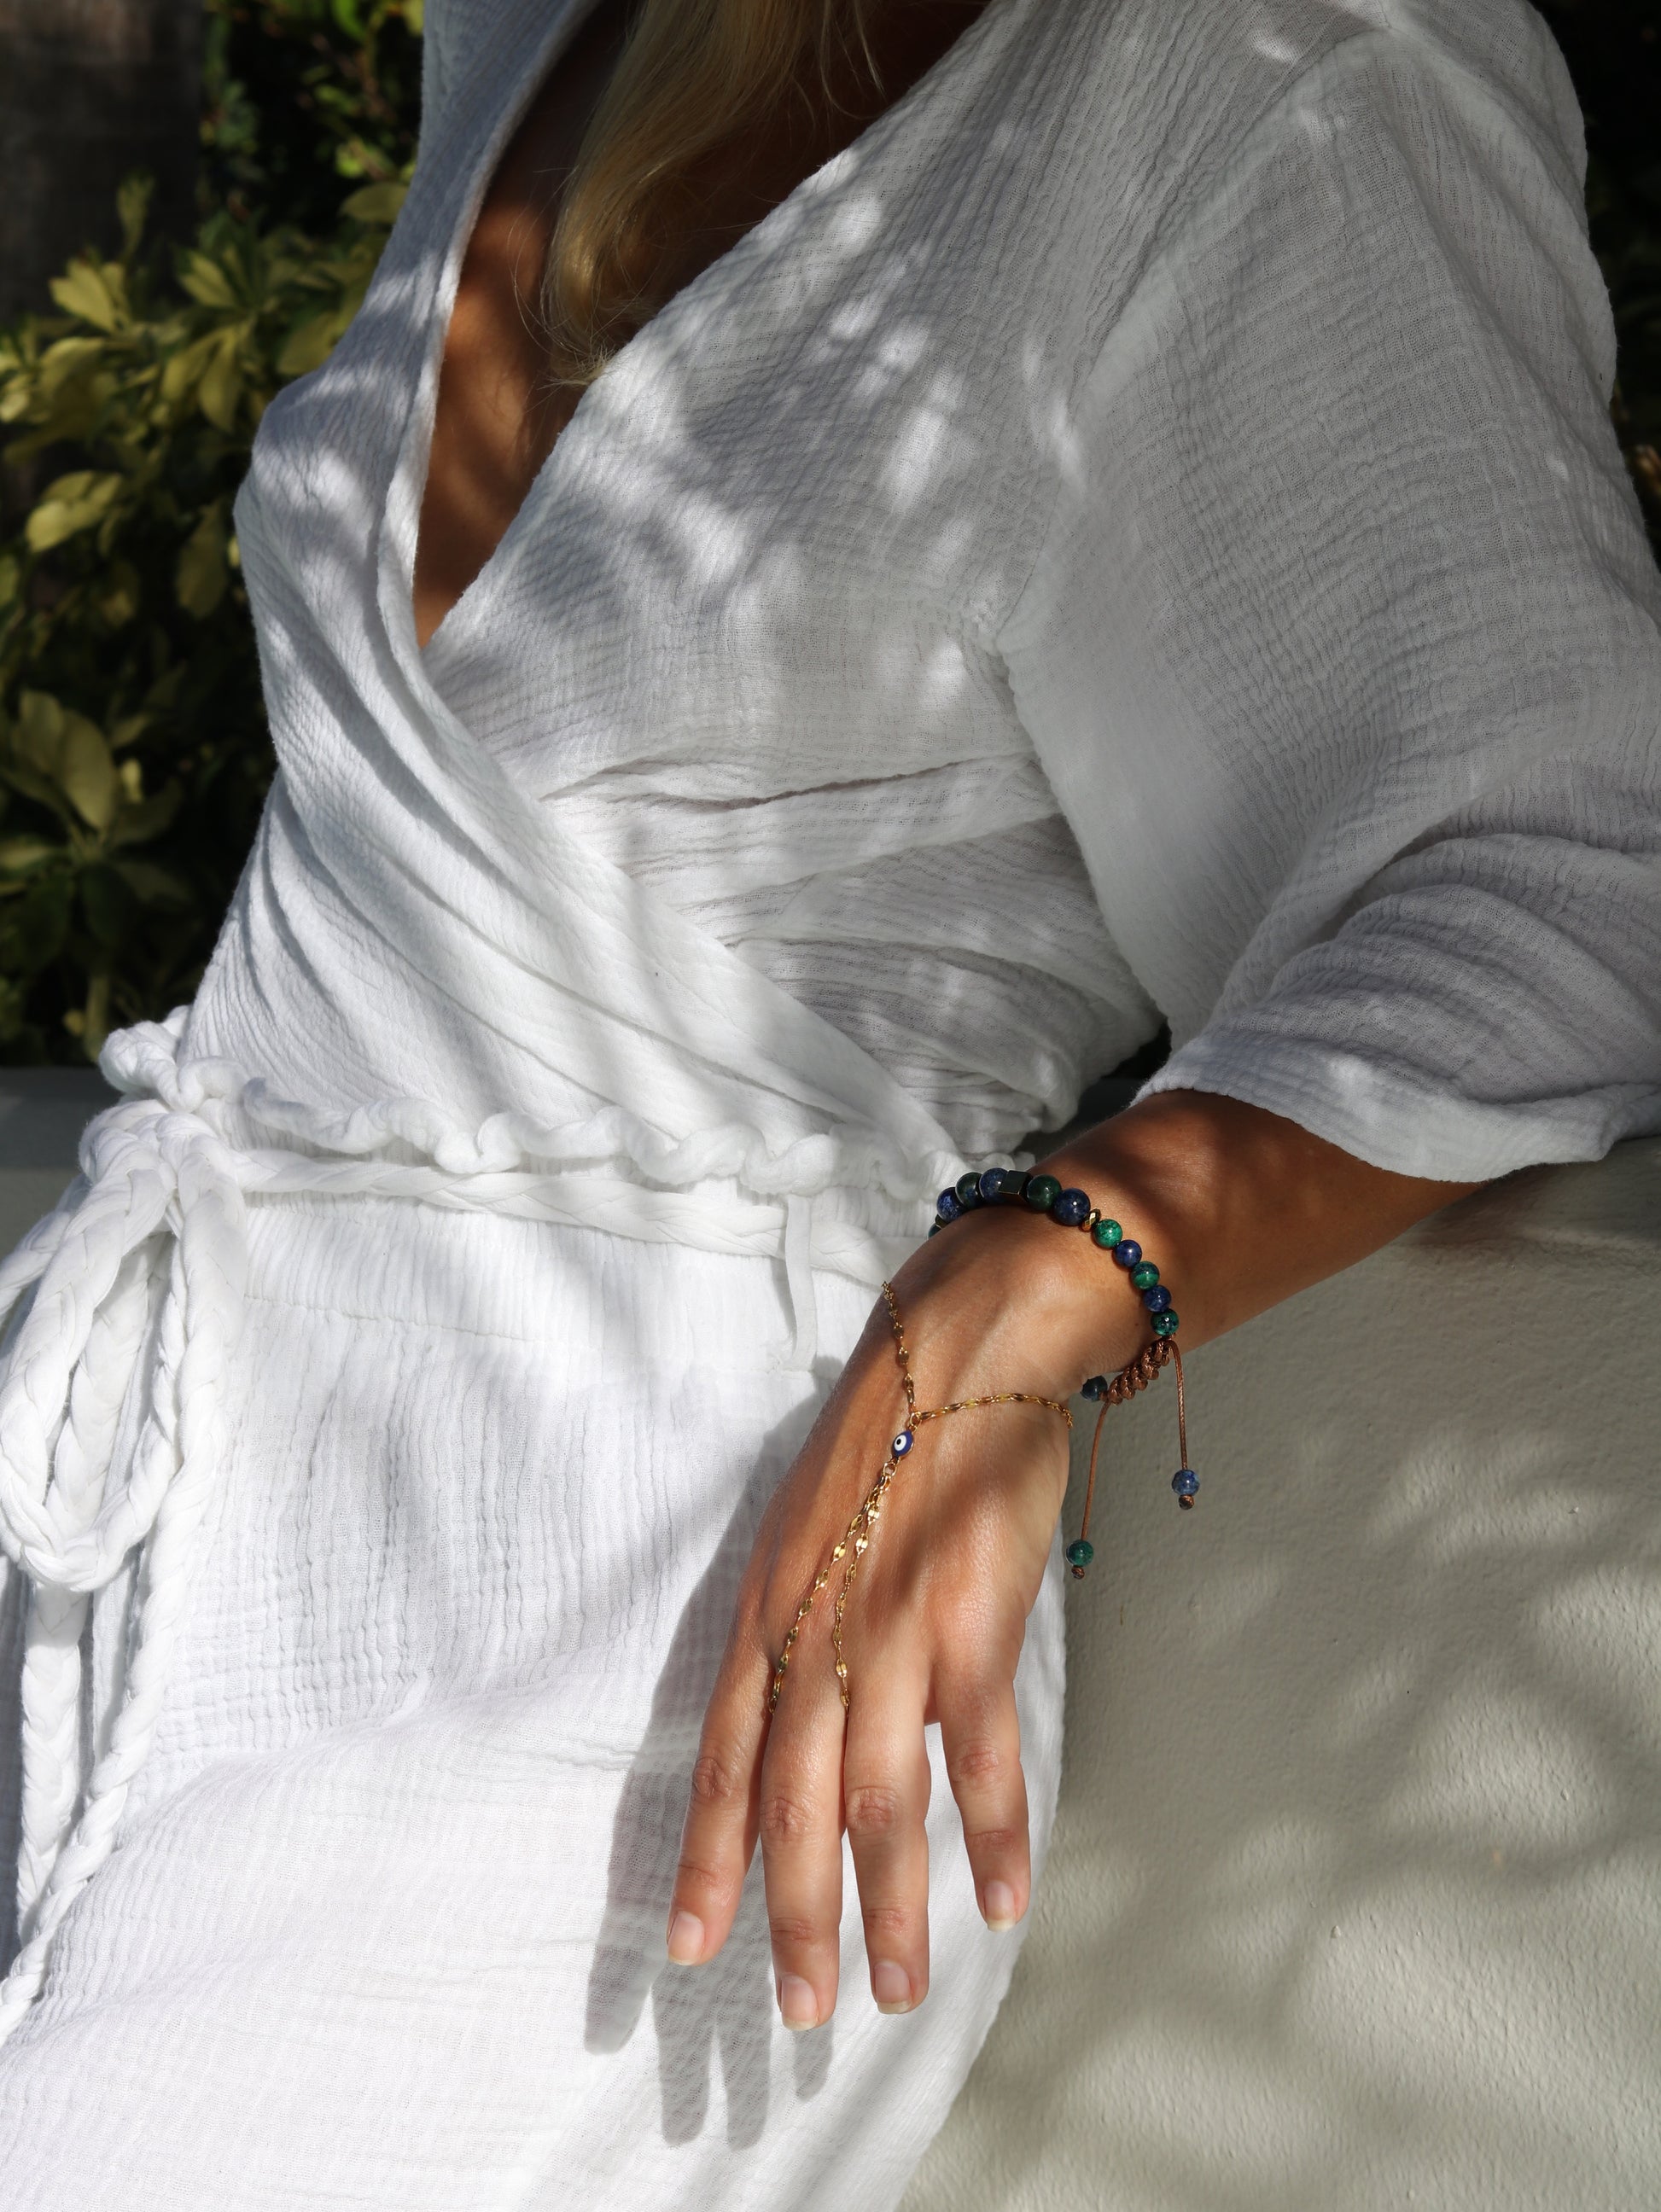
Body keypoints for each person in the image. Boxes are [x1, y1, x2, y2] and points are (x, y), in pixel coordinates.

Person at [0, 0, 1656, 2203]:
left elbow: (1556, 865)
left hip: (656, 1677)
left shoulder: (1257, 70)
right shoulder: (540, 29)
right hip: (136, 1541)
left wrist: (1055, 1262)